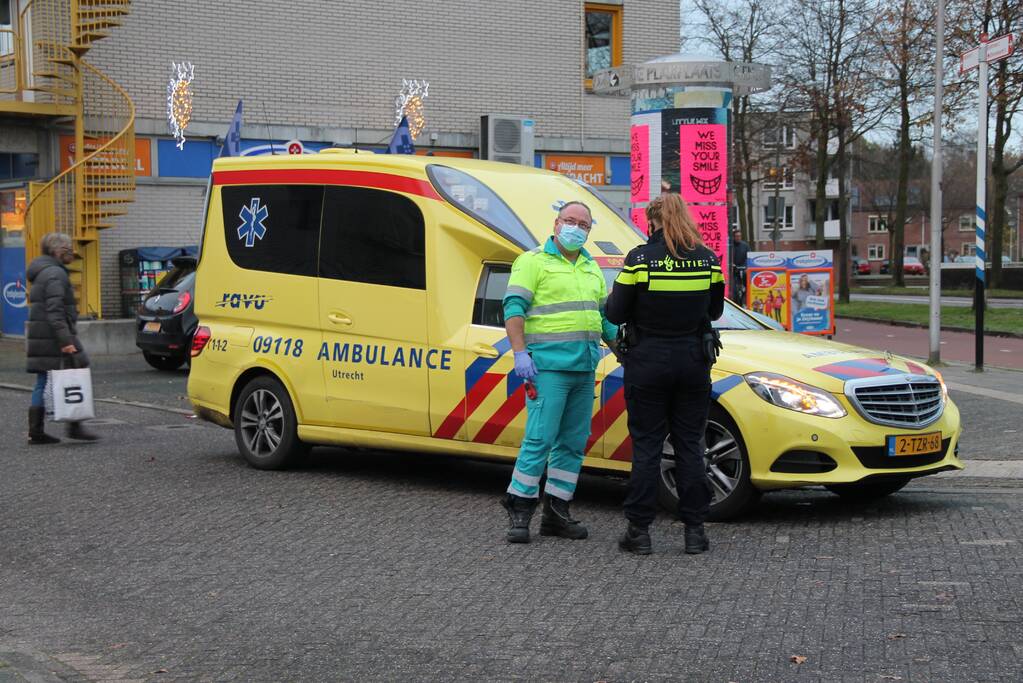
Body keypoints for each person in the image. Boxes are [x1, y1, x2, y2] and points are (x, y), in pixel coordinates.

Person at [605, 193, 724, 556]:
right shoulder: (707, 259)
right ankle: (695, 531)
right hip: (692, 362)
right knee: (690, 444)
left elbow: (615, 313)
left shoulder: (640, 259)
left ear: (652, 221)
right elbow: (716, 311)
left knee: (647, 446)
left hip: (648, 362)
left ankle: (639, 532)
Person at [500, 201, 618, 544]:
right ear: (556, 224)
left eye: (584, 224)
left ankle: (557, 512)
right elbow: (513, 308)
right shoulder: (533, 261)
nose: (576, 228)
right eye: (571, 221)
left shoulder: (591, 267)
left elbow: (602, 316)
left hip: (583, 368)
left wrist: (621, 348)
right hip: (546, 368)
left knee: (572, 443)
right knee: (539, 440)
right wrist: (520, 353)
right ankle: (520, 509)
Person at [26, 232, 98, 444]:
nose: (71, 253)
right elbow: (55, 310)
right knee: (77, 370)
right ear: (57, 251)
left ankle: (36, 431)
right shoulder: (56, 274)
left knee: (42, 380)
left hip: (43, 334)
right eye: (68, 249)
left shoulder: (44, 271)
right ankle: (74, 425)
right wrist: (66, 341)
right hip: (55, 336)